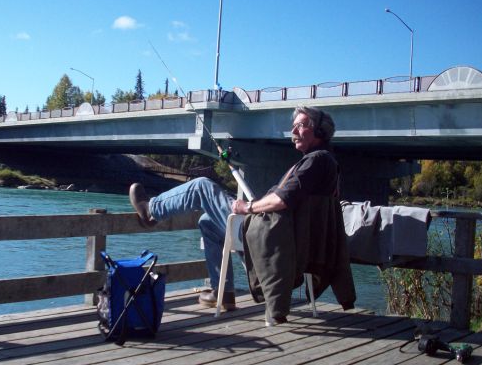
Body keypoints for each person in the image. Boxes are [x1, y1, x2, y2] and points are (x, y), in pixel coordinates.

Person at [129, 106, 355, 323]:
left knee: (201, 186)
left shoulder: (316, 161)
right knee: (208, 222)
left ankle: (151, 211)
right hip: (292, 242)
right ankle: (223, 293)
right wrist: (252, 205)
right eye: (293, 126)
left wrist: (247, 208)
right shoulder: (328, 163)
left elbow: (280, 200)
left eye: (301, 126)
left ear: (319, 131)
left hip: (274, 241)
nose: (293, 132)